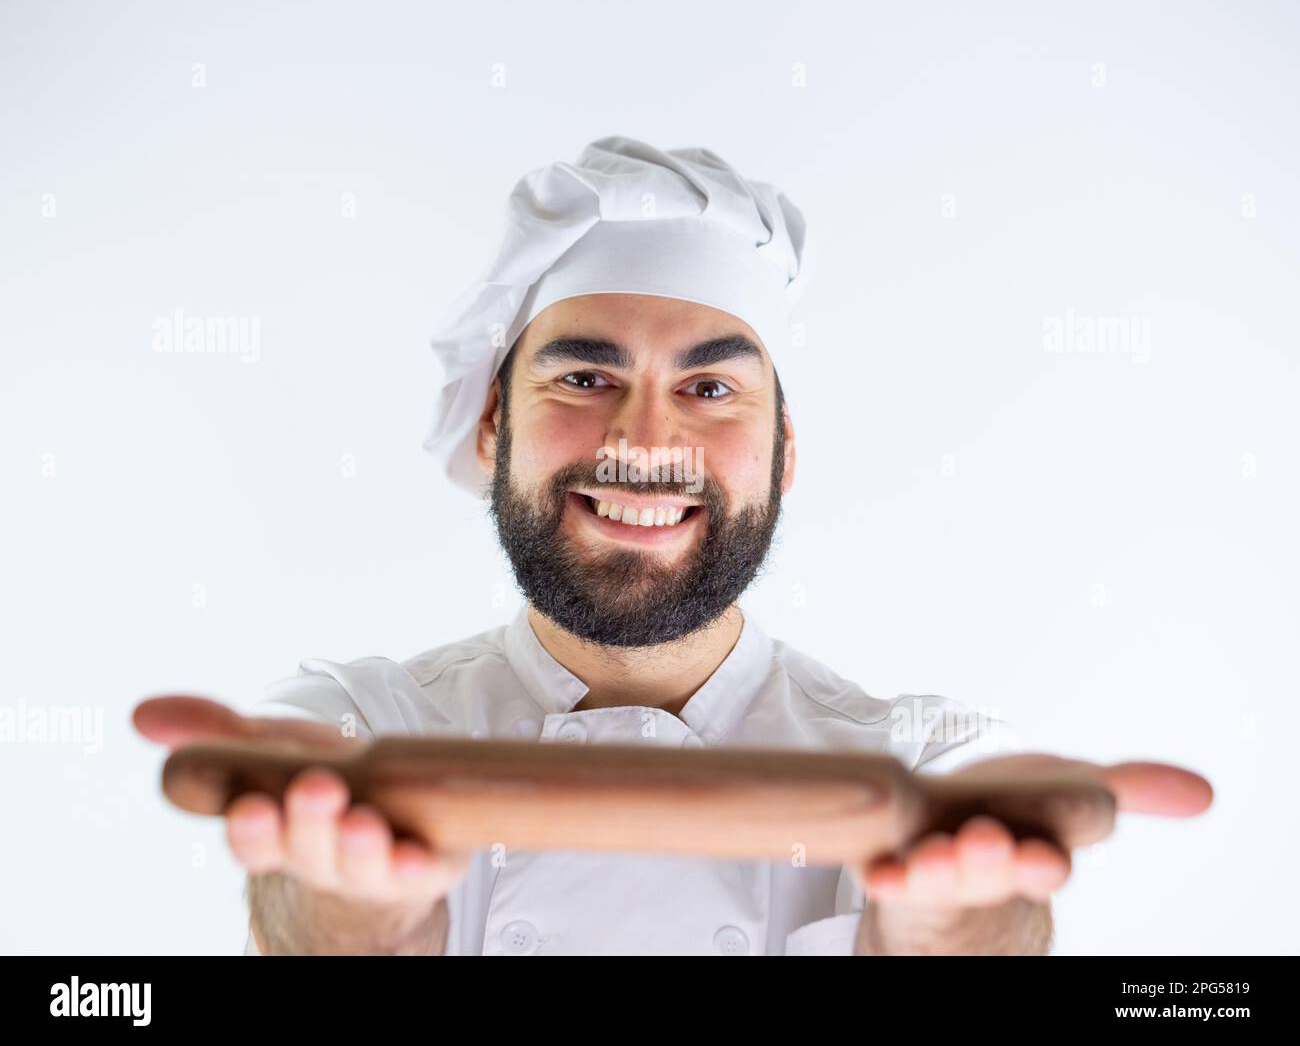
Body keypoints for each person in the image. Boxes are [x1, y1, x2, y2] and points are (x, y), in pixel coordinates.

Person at [133, 137, 1212, 956]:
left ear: (782, 452)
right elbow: (306, 902)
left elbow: (971, 924)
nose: (645, 443)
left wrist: (953, 928)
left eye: (709, 387)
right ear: (490, 426)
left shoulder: (919, 768)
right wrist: (343, 915)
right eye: (585, 377)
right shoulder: (363, 732)